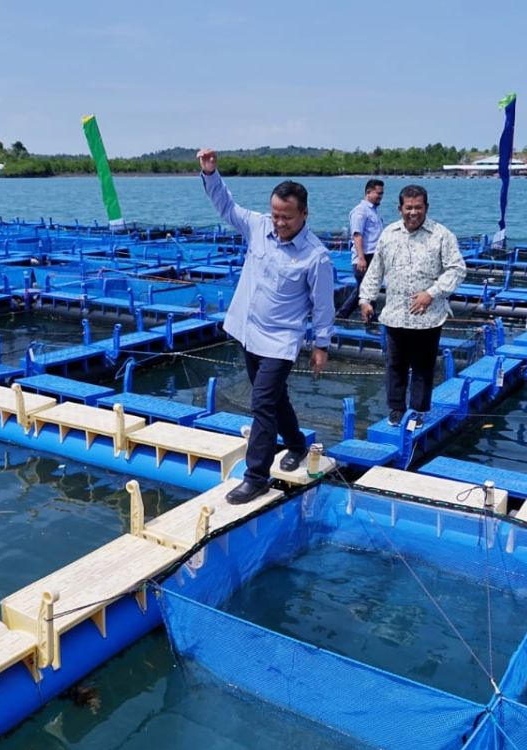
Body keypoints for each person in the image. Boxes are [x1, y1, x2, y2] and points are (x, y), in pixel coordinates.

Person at [197, 148, 335, 504]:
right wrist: (211, 174)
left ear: (304, 214)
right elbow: (227, 207)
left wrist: (322, 345)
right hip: (248, 331)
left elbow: (323, 305)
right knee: (275, 398)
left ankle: (256, 476)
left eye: (287, 217)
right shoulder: (258, 227)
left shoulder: (315, 256)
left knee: (261, 402)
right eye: (275, 214)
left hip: (280, 341)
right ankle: (296, 445)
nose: (279, 222)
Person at [359, 185, 467, 428]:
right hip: (395, 313)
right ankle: (396, 409)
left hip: (428, 315)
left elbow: (457, 269)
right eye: (409, 207)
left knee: (422, 366)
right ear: (400, 209)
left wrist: (432, 293)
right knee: (395, 365)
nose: (413, 212)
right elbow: (376, 269)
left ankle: (418, 410)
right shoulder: (388, 234)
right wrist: (366, 299)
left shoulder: (441, 235)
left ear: (426, 208)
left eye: (418, 207)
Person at [336, 179, 384, 322]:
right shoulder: (360, 211)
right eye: (378, 193)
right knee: (365, 290)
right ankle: (343, 315)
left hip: (374, 256)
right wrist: (361, 258)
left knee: (368, 288)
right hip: (365, 256)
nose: (380, 196)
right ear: (368, 192)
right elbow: (357, 235)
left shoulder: (373, 212)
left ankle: (367, 316)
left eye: (382, 194)